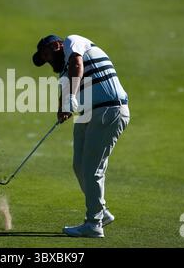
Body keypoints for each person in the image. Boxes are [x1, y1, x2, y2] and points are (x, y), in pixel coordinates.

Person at [32, 34, 130, 238]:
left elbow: (77, 63)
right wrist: (62, 108)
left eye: (47, 55)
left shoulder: (72, 42)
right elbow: (67, 87)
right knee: (79, 165)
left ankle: (94, 223)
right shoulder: (64, 72)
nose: (48, 62)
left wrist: (70, 99)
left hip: (109, 110)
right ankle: (101, 212)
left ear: (57, 45)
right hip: (88, 115)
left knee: (93, 168)